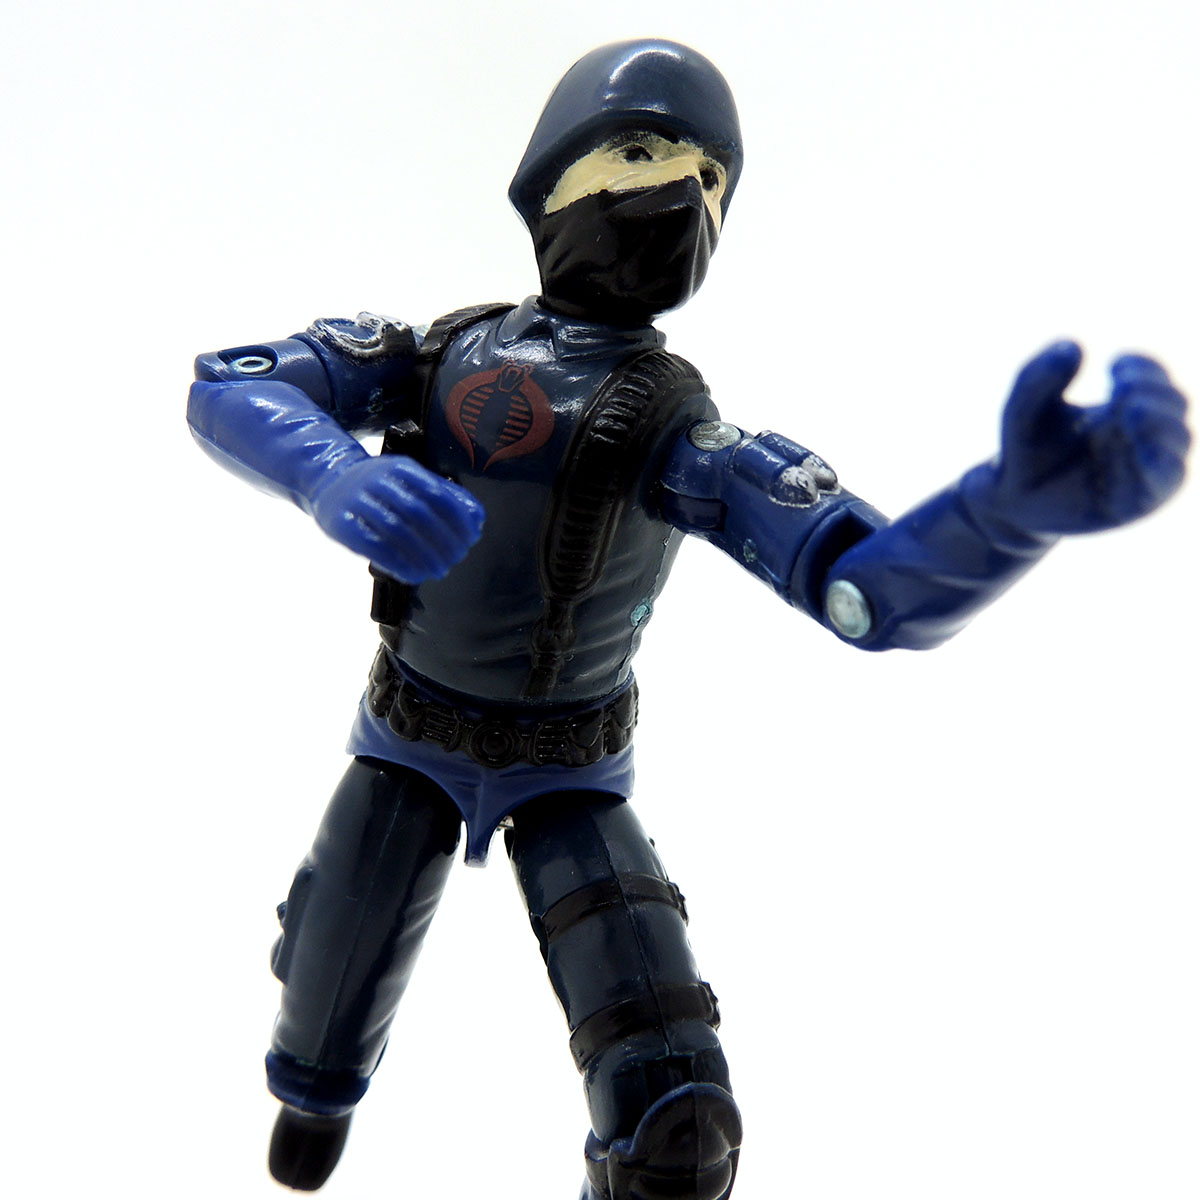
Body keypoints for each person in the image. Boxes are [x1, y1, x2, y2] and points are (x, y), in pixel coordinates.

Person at [187, 38, 1189, 1200]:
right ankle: (313, 1106)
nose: (681, 192)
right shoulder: (432, 354)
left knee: (674, 1114)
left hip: (572, 772)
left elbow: (864, 591)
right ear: (545, 183)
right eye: (639, 150)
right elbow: (229, 387)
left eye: (712, 178)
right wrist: (332, 475)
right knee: (327, 987)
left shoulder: (679, 430)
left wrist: (1003, 517)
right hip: (407, 737)